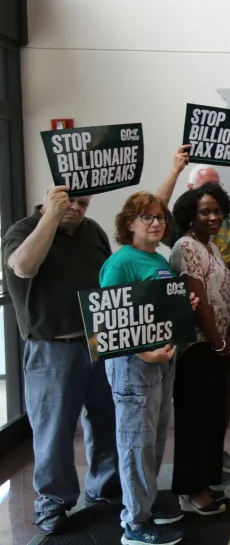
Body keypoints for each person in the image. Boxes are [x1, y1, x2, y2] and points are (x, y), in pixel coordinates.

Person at [2, 186, 118, 535]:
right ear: (50, 198)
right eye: (70, 202)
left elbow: (109, 276)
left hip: (99, 342)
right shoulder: (24, 230)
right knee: (53, 431)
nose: (77, 208)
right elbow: (22, 267)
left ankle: (105, 488)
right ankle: (53, 501)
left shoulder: (92, 230)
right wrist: (51, 217)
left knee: (107, 421)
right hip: (53, 347)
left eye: (84, 203)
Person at [157, 146, 230, 476]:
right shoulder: (184, 240)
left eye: (217, 202)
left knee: (221, 393)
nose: (213, 215)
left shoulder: (218, 235)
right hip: (200, 340)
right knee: (196, 408)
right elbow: (156, 210)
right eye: (204, 206)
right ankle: (195, 479)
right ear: (190, 201)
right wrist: (176, 170)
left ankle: (214, 456)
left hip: (225, 330)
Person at [100, 192, 184, 545]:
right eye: (147, 217)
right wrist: (144, 354)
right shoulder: (121, 263)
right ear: (129, 223)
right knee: (136, 442)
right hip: (135, 365)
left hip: (162, 361)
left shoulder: (159, 258)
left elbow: (158, 307)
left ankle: (146, 505)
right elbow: (109, 320)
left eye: (160, 217)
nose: (156, 223)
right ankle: (134, 523)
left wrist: (184, 304)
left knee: (155, 438)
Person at [169, 183, 230, 516]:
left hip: (213, 346)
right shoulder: (187, 246)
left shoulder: (209, 245)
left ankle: (204, 483)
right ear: (190, 216)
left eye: (217, 210)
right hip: (196, 348)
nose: (213, 217)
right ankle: (191, 490)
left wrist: (224, 338)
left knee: (210, 419)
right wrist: (218, 339)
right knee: (195, 421)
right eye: (204, 211)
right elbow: (197, 302)